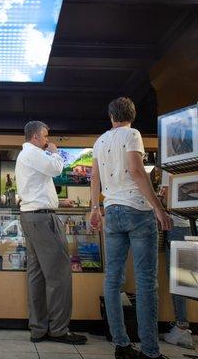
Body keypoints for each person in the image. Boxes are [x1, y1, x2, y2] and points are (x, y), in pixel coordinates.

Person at [90, 97, 172, 359]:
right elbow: (137, 171)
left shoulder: (100, 140)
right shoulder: (133, 134)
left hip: (112, 211)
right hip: (137, 211)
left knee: (113, 281)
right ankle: (150, 351)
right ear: (132, 116)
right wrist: (159, 208)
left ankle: (122, 345)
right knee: (146, 281)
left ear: (110, 116)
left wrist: (94, 208)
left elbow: (94, 177)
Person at [15, 120, 87, 345]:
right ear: (35, 137)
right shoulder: (33, 152)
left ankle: (38, 328)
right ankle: (58, 329)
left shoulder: (27, 156)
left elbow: (40, 184)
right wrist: (56, 153)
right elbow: (56, 169)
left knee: (36, 274)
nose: (48, 141)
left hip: (32, 217)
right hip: (42, 219)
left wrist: (57, 200)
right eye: (46, 137)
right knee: (59, 274)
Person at [158, 171, 194, 350]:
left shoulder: (171, 166)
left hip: (177, 225)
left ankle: (181, 326)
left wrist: (159, 198)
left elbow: (167, 200)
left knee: (178, 277)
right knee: (188, 277)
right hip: (192, 224)